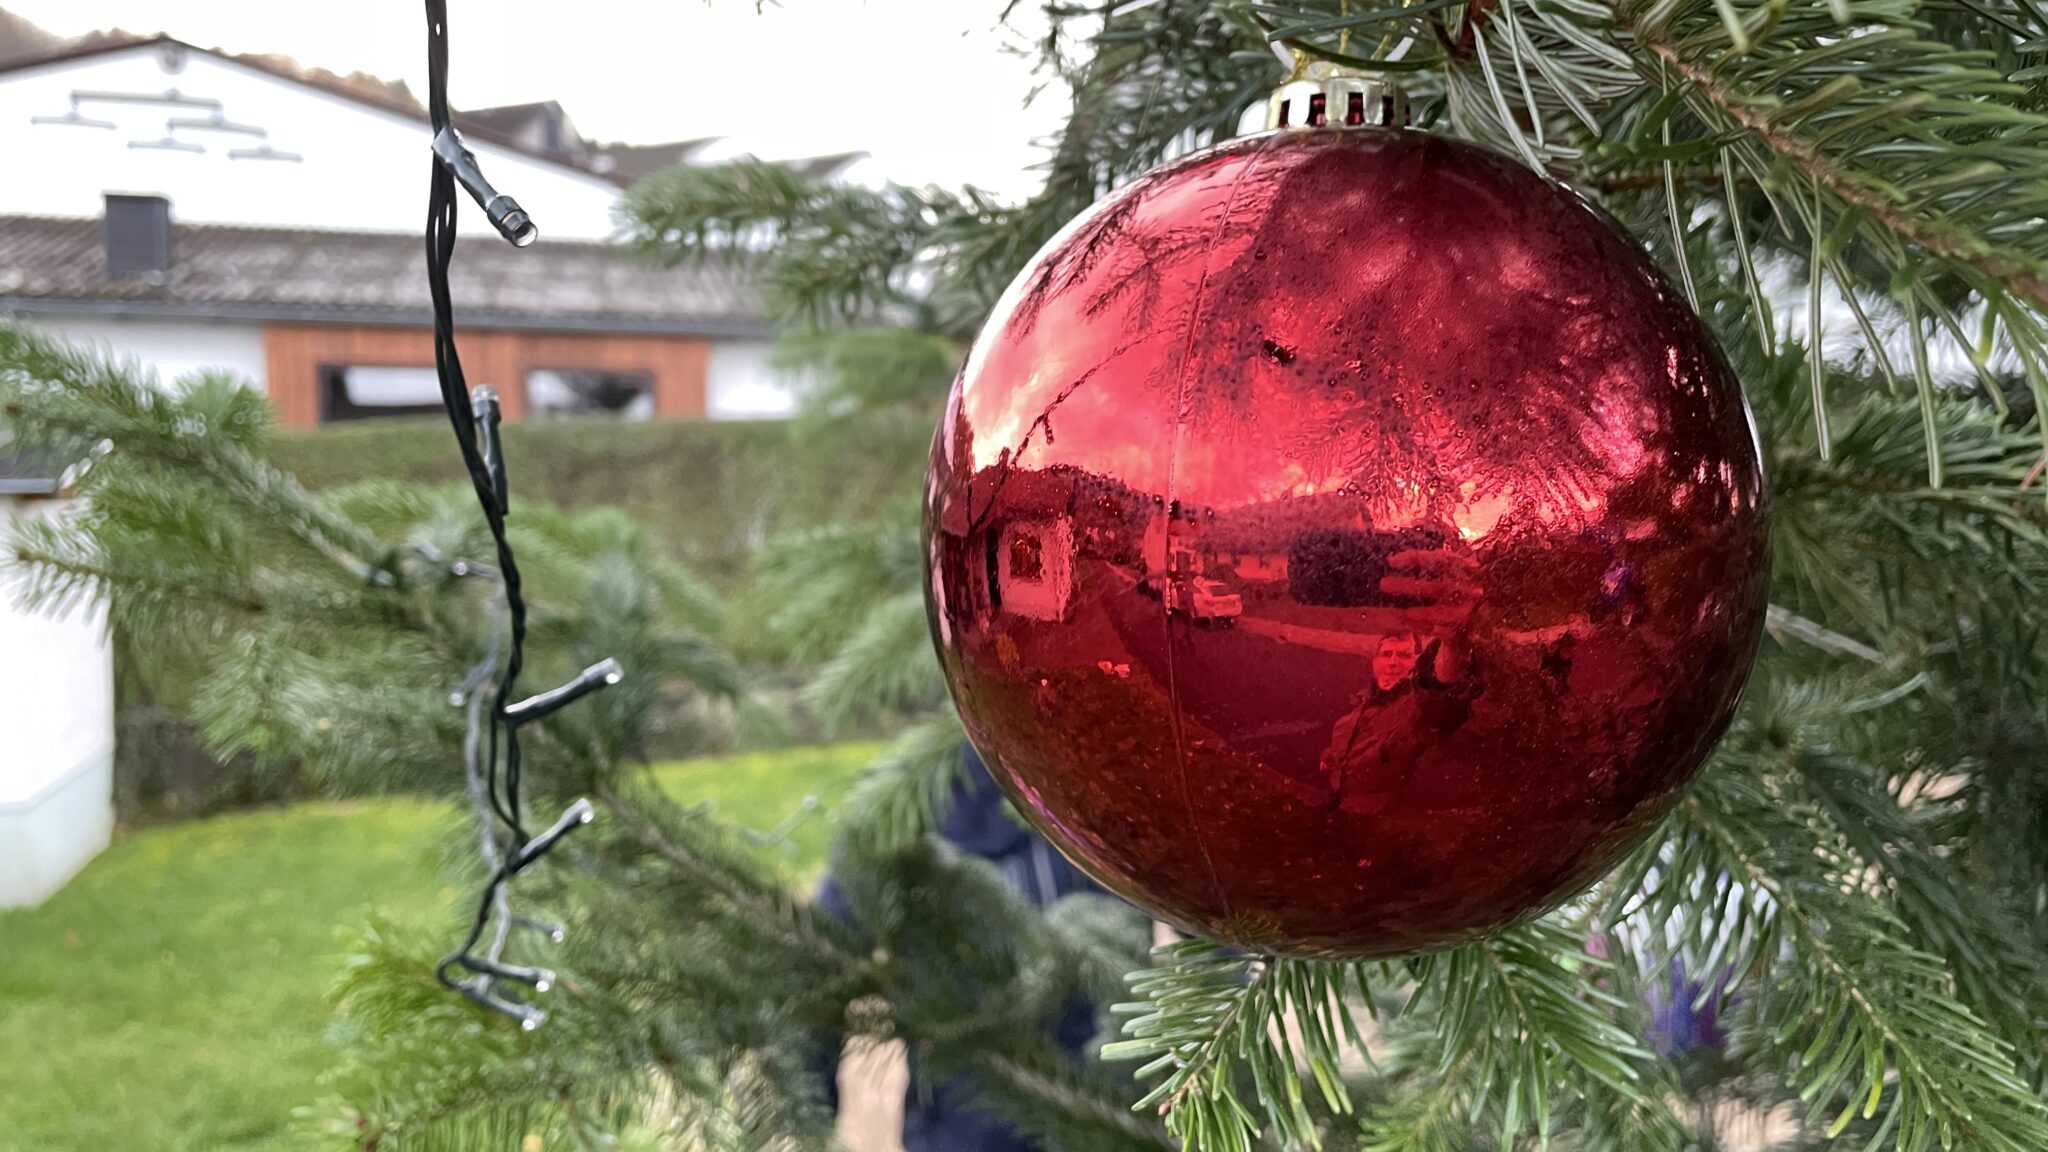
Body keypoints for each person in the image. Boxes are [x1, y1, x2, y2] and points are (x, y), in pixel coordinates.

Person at [815, 743, 1112, 1152]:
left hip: (1102, 1113)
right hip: (964, 1127)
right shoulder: (903, 809)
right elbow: (818, 973)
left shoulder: (1096, 789)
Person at [1320, 629, 1481, 814]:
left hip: (1381, 826)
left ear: (1417, 662)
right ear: (1374, 662)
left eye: (1404, 655)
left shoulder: (1415, 708)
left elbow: (1440, 698)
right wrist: (1329, 756)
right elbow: (1353, 755)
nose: (1393, 662)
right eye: (1386, 654)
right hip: (1336, 816)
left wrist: (1451, 639)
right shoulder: (1349, 717)